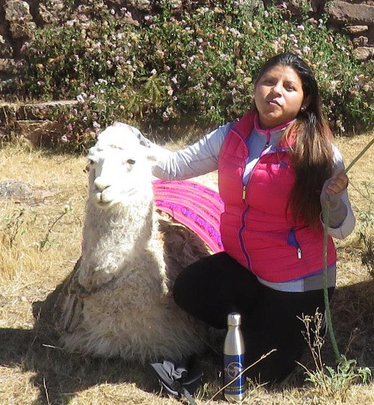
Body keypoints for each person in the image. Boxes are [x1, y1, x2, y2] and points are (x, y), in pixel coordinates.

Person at [146, 52, 355, 383]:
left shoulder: (320, 153)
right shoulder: (232, 136)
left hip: (297, 282)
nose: (276, 91)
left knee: (255, 377)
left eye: (289, 87)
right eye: (269, 81)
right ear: (255, 87)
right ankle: (256, 323)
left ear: (305, 100)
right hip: (246, 267)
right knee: (188, 289)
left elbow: (343, 229)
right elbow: (173, 167)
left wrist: (332, 202)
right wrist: (125, 145)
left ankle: (285, 327)